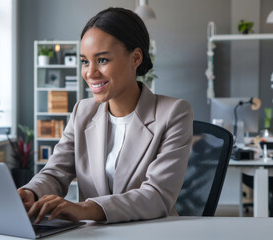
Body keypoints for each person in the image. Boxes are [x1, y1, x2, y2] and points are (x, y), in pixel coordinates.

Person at [18, 7, 193, 224]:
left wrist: (85, 209)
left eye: (102, 60)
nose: (90, 73)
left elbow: (157, 195)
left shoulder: (174, 113)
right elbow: (56, 172)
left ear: (136, 58)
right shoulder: (82, 111)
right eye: (84, 61)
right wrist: (31, 193)